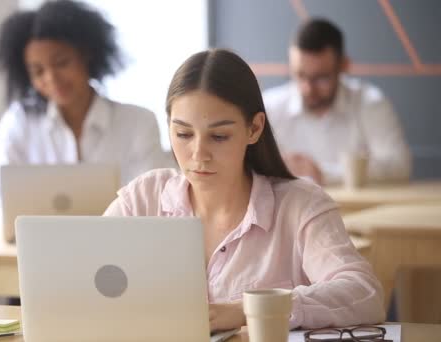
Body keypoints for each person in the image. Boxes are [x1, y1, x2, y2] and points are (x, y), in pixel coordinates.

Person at [104, 49, 385, 331]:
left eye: (219, 136)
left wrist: (249, 310)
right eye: (183, 134)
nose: (199, 154)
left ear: (254, 128)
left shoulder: (300, 206)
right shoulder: (141, 200)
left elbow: (364, 294)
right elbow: (81, 278)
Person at [0, 0, 166, 226]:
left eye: (62, 62)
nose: (52, 78)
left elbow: (159, 204)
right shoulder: (19, 123)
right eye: (38, 71)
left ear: (87, 55)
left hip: (120, 254)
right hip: (37, 252)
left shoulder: (137, 123)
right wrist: (23, 228)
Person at [263, 18, 411, 185]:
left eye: (321, 78)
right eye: (300, 75)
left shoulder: (370, 103)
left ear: (344, 66)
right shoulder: (268, 108)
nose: (308, 88)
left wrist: (319, 172)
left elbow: (399, 167)